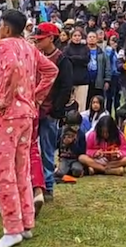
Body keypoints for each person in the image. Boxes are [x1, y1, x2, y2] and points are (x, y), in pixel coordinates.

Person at [0, 10, 58, 247]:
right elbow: (51, 70)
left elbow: (11, 71)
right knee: (22, 169)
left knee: (2, 171)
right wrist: (34, 96)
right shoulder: (29, 47)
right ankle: (26, 222)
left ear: (6, 28)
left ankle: (12, 228)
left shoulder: (4, 45)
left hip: (7, 116)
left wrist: (4, 101)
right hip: (27, 115)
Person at [32, 21, 74, 201]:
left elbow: (66, 87)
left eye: (41, 39)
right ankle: (36, 186)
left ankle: (48, 185)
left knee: (48, 150)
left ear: (51, 38)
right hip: (34, 109)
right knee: (32, 150)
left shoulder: (62, 59)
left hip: (49, 112)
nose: (37, 42)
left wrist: (56, 110)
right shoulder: (35, 56)